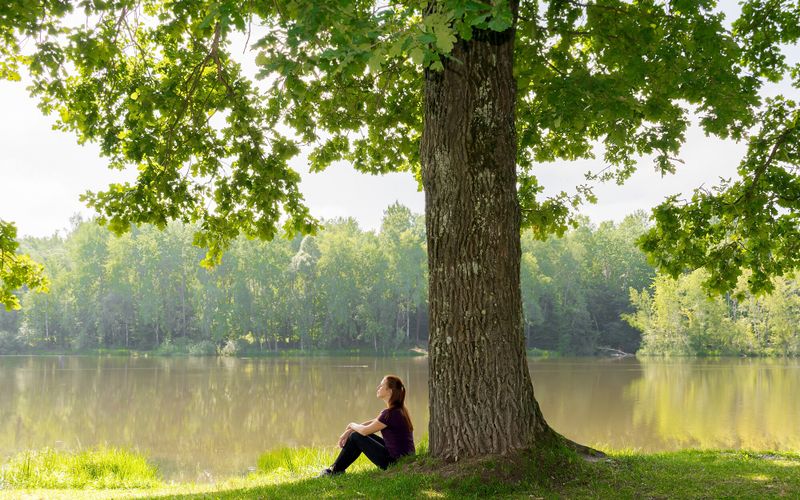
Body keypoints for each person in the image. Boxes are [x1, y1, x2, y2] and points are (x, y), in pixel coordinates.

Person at [319, 375, 415, 477]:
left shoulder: (390, 414)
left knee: (356, 436)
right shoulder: (396, 411)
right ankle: (335, 470)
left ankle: (335, 471)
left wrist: (351, 424)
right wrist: (350, 430)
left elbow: (364, 431)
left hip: (394, 463)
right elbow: (373, 423)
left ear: (390, 391)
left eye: (382, 385)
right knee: (356, 434)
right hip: (401, 459)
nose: (378, 387)